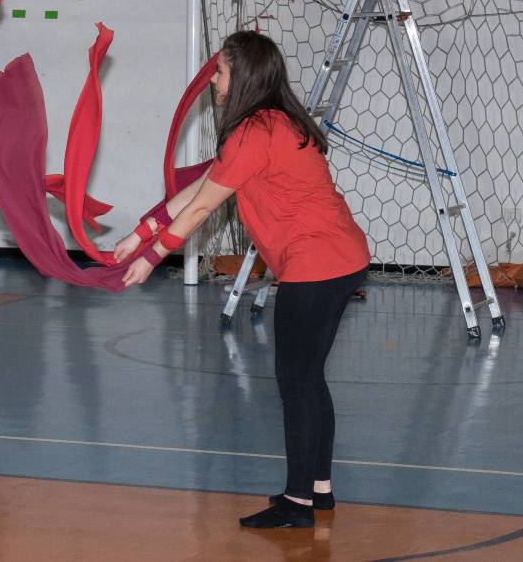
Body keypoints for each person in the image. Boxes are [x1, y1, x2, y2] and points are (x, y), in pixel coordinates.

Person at [115, 31, 370, 528]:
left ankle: (297, 504)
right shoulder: (272, 123)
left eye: (221, 71)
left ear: (243, 77)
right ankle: (318, 490)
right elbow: (204, 183)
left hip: (317, 264)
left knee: (296, 381)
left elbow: (206, 206)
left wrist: (153, 257)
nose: (213, 80)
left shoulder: (256, 131)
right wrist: (142, 231)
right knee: (309, 378)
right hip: (341, 257)